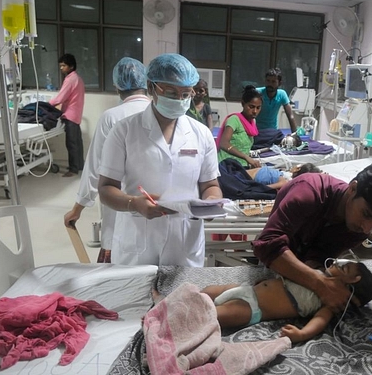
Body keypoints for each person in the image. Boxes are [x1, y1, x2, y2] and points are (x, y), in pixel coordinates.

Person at [98, 53, 222, 267]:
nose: (179, 100)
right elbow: (106, 188)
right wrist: (134, 204)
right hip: (137, 241)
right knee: (136, 298)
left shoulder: (201, 134)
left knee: (183, 298)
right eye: (171, 92)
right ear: (151, 87)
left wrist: (211, 203)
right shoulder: (124, 131)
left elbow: (210, 185)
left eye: (185, 94)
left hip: (184, 241)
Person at [252, 161, 372, 313]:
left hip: (299, 269)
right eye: (366, 214)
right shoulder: (308, 192)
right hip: (274, 258)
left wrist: (328, 283)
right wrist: (319, 283)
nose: (366, 228)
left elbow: (320, 255)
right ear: (353, 188)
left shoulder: (357, 229)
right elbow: (267, 244)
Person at [63, 57, 150, 263]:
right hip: (154, 207)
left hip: (119, 205)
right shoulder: (159, 116)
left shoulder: (112, 117)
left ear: (117, 86)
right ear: (146, 83)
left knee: (117, 269)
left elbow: (95, 167)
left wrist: (78, 208)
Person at [200, 260, 372, 343]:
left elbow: (320, 321)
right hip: (246, 288)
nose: (337, 262)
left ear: (352, 282)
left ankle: (181, 319)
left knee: (213, 315)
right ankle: (179, 305)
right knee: (207, 292)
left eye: (343, 267)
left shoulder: (330, 303)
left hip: (253, 308)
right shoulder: (315, 274)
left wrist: (302, 334)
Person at [49, 53, 85, 177]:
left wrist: (45, 105)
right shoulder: (78, 78)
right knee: (77, 142)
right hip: (76, 115)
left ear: (71, 66)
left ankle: (73, 170)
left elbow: (60, 98)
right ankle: (79, 165)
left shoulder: (70, 79)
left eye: (63, 66)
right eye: (60, 66)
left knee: (71, 143)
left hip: (70, 115)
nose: (61, 68)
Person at [216, 85, 262, 169]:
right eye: (251, 107)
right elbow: (224, 143)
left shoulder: (252, 122)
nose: (255, 111)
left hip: (242, 167)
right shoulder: (234, 120)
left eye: (258, 108)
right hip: (226, 166)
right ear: (243, 104)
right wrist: (246, 157)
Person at [255, 68, 297, 133]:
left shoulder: (282, 94)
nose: (270, 84)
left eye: (273, 82)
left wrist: (295, 134)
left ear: (279, 83)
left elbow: (290, 116)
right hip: (256, 131)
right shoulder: (257, 93)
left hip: (273, 132)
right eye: (268, 81)